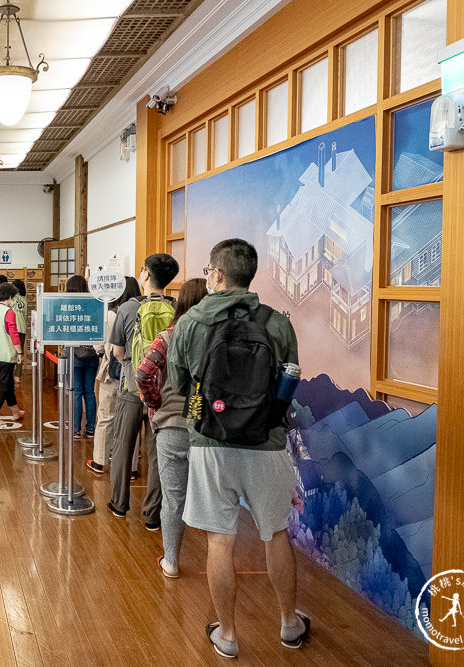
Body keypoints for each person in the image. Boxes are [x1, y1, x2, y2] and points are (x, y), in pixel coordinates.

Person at [166, 239, 305, 659]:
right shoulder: (277, 324)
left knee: (219, 542)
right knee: (275, 535)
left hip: (209, 441)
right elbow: (290, 378)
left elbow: (176, 384)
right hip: (267, 443)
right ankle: (288, 623)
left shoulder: (190, 322)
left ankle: (226, 633)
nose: (207, 276)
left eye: (209, 270)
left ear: (219, 275)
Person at [136, 278, 207, 579]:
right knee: (212, 499)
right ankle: (218, 563)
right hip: (207, 429)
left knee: (173, 497)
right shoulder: (215, 339)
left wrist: (156, 403)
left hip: (172, 426)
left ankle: (172, 561)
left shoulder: (167, 336)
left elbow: (143, 373)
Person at [106, 253, 179, 531]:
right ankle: (152, 514)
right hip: (165, 394)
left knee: (123, 446)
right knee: (157, 452)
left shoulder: (127, 308)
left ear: (146, 275)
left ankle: (119, 504)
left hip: (132, 389)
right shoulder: (178, 309)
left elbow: (118, 352)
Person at [88, 276, 141, 474]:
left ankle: (99, 461)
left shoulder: (111, 315)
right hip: (136, 374)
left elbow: (99, 345)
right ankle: (132, 467)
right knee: (132, 422)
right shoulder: (142, 311)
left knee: (106, 416)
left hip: (112, 371)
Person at [0, 283, 25, 426]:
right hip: (4, 355)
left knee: (7, 383)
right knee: (2, 385)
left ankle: (15, 412)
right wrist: (19, 352)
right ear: (10, 297)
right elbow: (13, 333)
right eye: (13, 297)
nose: (14, 300)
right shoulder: (9, 312)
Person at [64, 275, 99, 439]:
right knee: (90, 392)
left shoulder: (67, 306)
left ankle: (76, 429)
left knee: (76, 391)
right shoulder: (93, 304)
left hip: (74, 353)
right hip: (92, 353)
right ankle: (91, 428)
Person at [11, 279, 28, 383]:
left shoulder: (11, 299)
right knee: (19, 352)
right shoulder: (24, 301)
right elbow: (25, 316)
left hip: (12, 328)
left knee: (10, 351)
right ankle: (17, 376)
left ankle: (8, 374)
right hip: (22, 328)